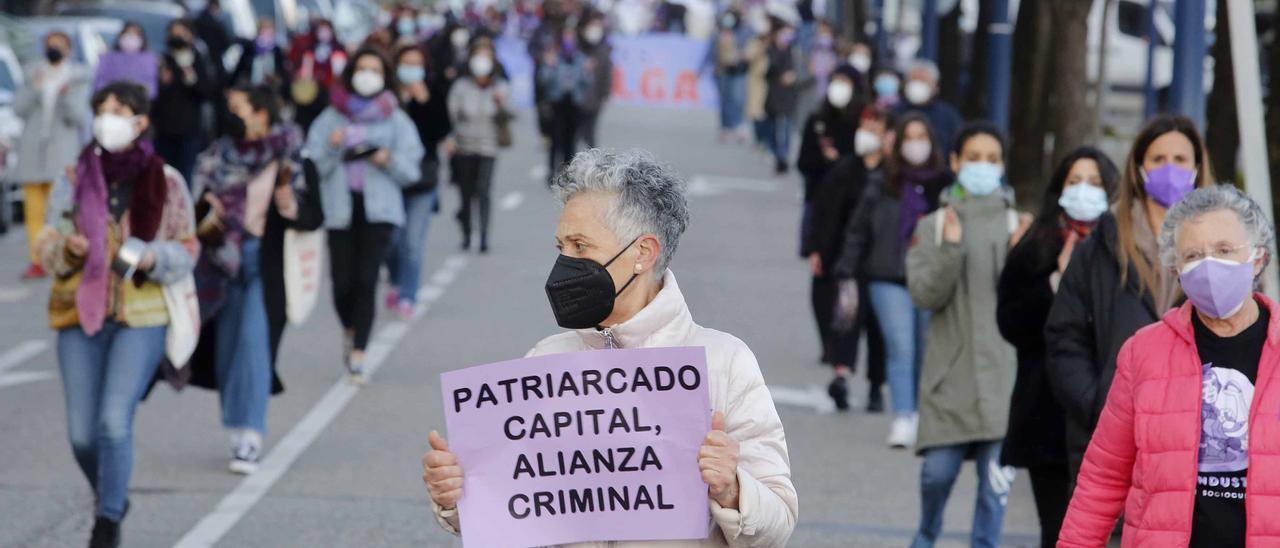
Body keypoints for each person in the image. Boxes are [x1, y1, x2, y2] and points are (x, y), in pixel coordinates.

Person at [420, 149, 798, 546]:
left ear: (642, 253)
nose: (564, 264)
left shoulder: (723, 363)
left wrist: (732, 490)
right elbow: (515, 511)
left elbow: (778, 521)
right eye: (560, 247)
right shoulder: (545, 362)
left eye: (581, 246)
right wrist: (458, 496)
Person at [1058, 185, 1280, 547]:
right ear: (1176, 269)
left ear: (1257, 257)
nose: (1209, 265)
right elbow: (1103, 478)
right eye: (1193, 255)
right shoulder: (1144, 352)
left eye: (1224, 250)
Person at [35, 81, 198, 548]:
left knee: (113, 421)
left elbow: (187, 246)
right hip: (77, 313)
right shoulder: (73, 177)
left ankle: (107, 519)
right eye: (102, 110)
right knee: (82, 434)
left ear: (141, 121)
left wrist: (152, 257)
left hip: (141, 317)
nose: (108, 118)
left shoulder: (165, 181)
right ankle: (112, 493)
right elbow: (45, 241)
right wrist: (67, 248)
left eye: (119, 110)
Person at [1044, 115, 1214, 492]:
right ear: (1139, 168)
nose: (1170, 169)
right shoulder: (1101, 246)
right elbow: (1064, 335)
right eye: (1158, 159)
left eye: (1181, 159)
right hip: (1112, 436)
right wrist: (1095, 403)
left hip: (1200, 443)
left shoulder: (1222, 249)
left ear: (1198, 168)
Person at [904, 122, 1031, 548]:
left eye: (992, 159)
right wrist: (950, 250)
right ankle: (927, 533)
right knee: (936, 475)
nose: (983, 167)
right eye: (973, 158)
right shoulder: (935, 225)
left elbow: (1032, 305)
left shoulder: (1021, 225)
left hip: (1003, 380)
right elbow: (924, 294)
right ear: (955, 162)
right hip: (950, 380)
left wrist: (1021, 257)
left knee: (994, 494)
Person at [995, 147, 1119, 548]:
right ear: (1060, 187)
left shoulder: (1125, 248)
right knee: (1059, 529)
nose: (1085, 191)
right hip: (1045, 411)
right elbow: (1010, 323)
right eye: (1075, 181)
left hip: (1109, 410)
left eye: (1096, 183)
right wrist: (1055, 288)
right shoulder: (1035, 244)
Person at [188, 85, 306, 474]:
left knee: (255, 342)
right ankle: (236, 426)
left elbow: (308, 209)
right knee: (226, 350)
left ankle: (251, 436)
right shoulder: (218, 153)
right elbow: (192, 202)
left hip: (265, 262)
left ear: (262, 113)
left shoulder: (286, 152)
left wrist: (290, 202)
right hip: (220, 262)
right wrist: (207, 207)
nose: (233, 114)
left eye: (239, 107)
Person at [304, 47, 424, 382]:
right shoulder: (331, 116)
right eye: (362, 68)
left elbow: (411, 169)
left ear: (384, 76)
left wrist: (386, 159)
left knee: (366, 279)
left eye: (375, 69)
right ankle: (350, 327)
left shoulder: (395, 118)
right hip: (339, 209)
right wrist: (332, 145)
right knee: (342, 282)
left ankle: (358, 353)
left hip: (380, 211)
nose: (367, 75)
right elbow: (311, 164)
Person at [832, 112, 951, 447]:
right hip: (887, 276)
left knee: (926, 348)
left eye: (921, 136)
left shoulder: (945, 186)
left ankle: (925, 414)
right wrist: (846, 270)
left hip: (932, 278)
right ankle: (904, 415)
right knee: (901, 346)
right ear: (898, 144)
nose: (915, 144)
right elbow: (859, 228)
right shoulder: (883, 181)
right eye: (908, 137)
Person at [807, 105, 892, 412]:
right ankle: (841, 375)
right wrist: (816, 249)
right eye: (865, 127)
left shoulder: (893, 177)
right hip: (848, 261)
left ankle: (875, 386)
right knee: (847, 317)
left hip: (885, 263)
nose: (867, 135)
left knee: (880, 327)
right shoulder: (844, 170)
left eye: (876, 130)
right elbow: (823, 213)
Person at [13, 31, 90, 280]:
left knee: (59, 209)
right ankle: (37, 260)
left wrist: (65, 94)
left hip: (62, 153)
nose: (54, 49)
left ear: (68, 49)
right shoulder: (32, 73)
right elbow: (18, 109)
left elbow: (79, 118)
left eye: (59, 45)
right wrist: (36, 89)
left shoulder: (77, 77)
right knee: (33, 211)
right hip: (33, 151)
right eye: (50, 45)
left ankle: (60, 255)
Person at [385, 44, 449, 319]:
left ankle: (408, 296)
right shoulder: (386, 97)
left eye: (416, 63)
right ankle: (396, 279)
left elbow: (441, 131)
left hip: (423, 178)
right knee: (391, 239)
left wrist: (423, 102)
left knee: (412, 241)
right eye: (406, 63)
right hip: (390, 176)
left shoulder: (433, 93)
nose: (411, 69)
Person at [447, 42, 511, 254]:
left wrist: (501, 103)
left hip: (488, 147)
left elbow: (510, 114)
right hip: (464, 147)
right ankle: (466, 232)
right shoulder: (461, 87)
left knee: (484, 190)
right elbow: (453, 115)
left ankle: (484, 236)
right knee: (466, 192)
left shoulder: (499, 86)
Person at [797, 67, 860, 253]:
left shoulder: (860, 123)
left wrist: (840, 161)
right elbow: (803, 162)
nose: (839, 87)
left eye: (845, 82)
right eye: (836, 81)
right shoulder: (817, 120)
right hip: (819, 198)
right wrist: (825, 159)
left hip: (851, 201)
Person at [154, 18, 214, 183]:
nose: (178, 37)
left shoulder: (197, 59)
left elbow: (205, 92)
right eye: (174, 33)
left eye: (182, 33)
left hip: (189, 129)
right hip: (164, 129)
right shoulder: (162, 60)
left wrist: (189, 73)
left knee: (185, 175)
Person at [538, 27, 592, 184]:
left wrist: (587, 71)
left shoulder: (581, 59)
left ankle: (568, 173)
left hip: (574, 106)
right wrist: (549, 66)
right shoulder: (554, 59)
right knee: (555, 141)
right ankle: (551, 172)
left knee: (570, 141)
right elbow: (543, 81)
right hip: (557, 105)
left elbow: (587, 82)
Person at [287, 18, 349, 132]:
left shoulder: (337, 49)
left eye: (326, 30)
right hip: (310, 92)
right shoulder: (310, 49)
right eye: (321, 30)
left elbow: (340, 73)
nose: (323, 33)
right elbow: (304, 68)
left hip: (328, 93)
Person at [893, 59, 962, 152]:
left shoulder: (948, 116)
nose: (917, 85)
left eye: (923, 80)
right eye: (914, 80)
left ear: (936, 87)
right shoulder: (893, 112)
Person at [764, 22, 802, 175]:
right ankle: (776, 153)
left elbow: (803, 71)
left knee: (786, 128)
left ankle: (783, 158)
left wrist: (794, 76)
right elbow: (766, 69)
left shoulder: (795, 52)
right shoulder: (771, 50)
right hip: (773, 95)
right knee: (773, 129)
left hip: (789, 96)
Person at [712, 9, 750, 142]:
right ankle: (725, 127)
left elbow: (749, 49)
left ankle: (739, 125)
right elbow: (711, 51)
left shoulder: (744, 31)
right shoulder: (719, 32)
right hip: (722, 71)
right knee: (725, 101)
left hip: (738, 71)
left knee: (738, 99)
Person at [231, 19, 291, 101]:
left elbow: (282, 70)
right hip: (252, 86)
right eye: (263, 31)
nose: (266, 35)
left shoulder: (276, 50)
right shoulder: (250, 48)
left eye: (269, 32)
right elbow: (240, 67)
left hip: (270, 88)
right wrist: (231, 85)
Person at [94, 22, 159, 97]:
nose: (131, 37)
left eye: (135, 34)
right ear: (121, 36)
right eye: (128, 33)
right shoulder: (107, 58)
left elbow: (152, 90)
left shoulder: (149, 59)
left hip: (137, 102)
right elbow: (99, 84)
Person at [578, 14, 613, 149]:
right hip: (577, 99)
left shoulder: (604, 50)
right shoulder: (579, 48)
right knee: (575, 133)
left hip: (594, 99)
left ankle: (592, 161)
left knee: (590, 133)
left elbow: (607, 75)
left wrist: (605, 93)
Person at [194, 0, 233, 80]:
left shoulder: (196, 21)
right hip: (215, 58)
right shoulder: (218, 25)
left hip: (199, 59)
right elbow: (227, 42)